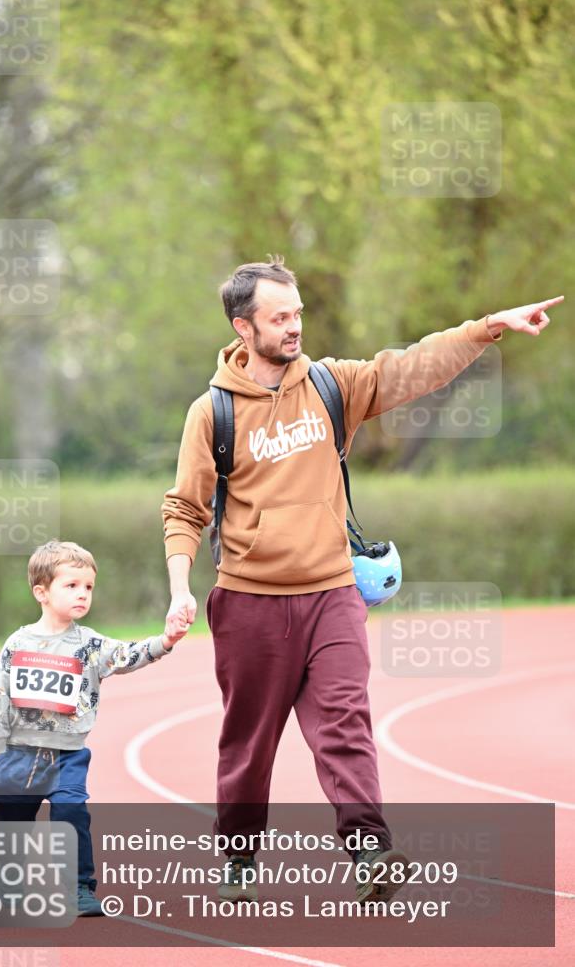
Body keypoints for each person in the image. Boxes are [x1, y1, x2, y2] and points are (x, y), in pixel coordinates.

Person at [161, 255, 562, 903]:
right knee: (247, 743)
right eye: (278, 317)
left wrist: (487, 326)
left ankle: (369, 850)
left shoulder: (330, 385)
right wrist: (180, 587)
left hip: (331, 595)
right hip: (248, 602)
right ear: (243, 326)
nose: (294, 327)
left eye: (296, 313)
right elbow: (184, 507)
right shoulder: (211, 414)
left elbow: (407, 368)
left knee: (344, 723)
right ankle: (238, 856)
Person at [0, 539, 188, 916]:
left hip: (68, 755)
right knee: (8, 816)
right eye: (72, 585)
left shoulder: (89, 644)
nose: (82, 594)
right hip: (19, 753)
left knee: (71, 812)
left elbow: (127, 656)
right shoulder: (18, 642)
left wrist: (165, 641)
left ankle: (78, 887)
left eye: (89, 587)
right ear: (41, 592)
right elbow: (0, 694)